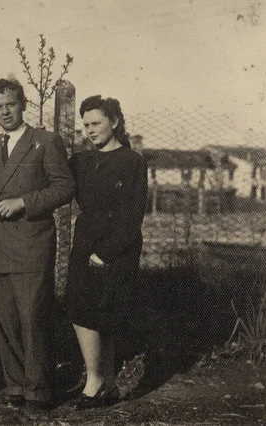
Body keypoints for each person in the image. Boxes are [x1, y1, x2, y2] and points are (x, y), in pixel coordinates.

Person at [0, 78, 74, 411]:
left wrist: (24, 202)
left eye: (10, 104)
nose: (5, 112)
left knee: (33, 318)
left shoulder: (46, 141)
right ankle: (16, 386)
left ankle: (39, 391)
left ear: (22, 103)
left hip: (32, 243)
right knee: (5, 319)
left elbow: (64, 188)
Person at [66, 95, 148, 409]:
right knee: (81, 308)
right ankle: (101, 380)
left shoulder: (132, 161)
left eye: (96, 123)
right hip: (86, 237)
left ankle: (98, 381)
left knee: (104, 311)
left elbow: (133, 213)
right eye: (85, 125)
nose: (90, 130)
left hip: (117, 242)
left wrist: (107, 252)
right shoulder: (81, 161)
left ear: (113, 121)